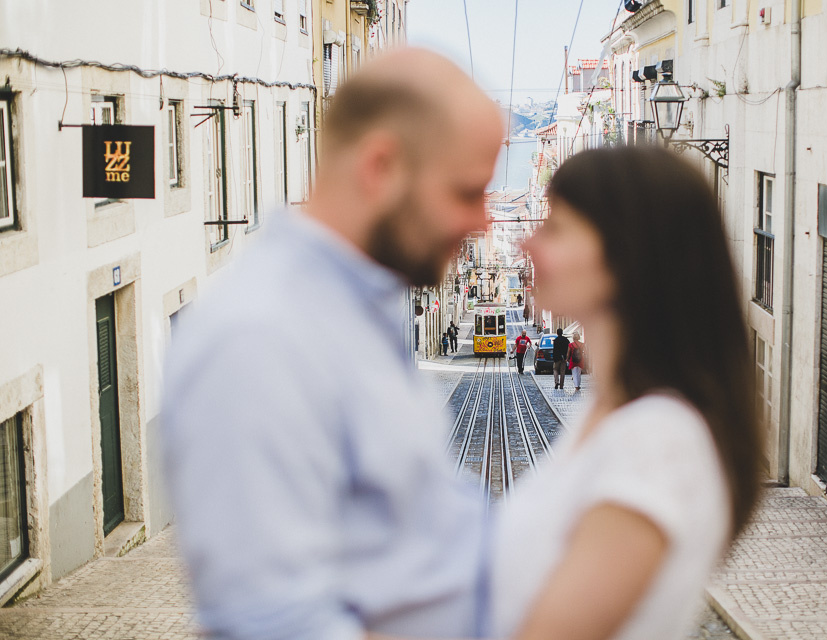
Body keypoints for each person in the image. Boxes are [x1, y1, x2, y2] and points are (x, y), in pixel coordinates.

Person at [161, 48, 504, 640]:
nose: (485, 223)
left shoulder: (358, 313)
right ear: (380, 169)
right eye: (467, 192)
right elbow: (274, 624)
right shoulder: (259, 341)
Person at [490, 145, 762, 640]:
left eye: (555, 228)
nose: (528, 244)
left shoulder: (658, 441)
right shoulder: (612, 415)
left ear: (625, 254)